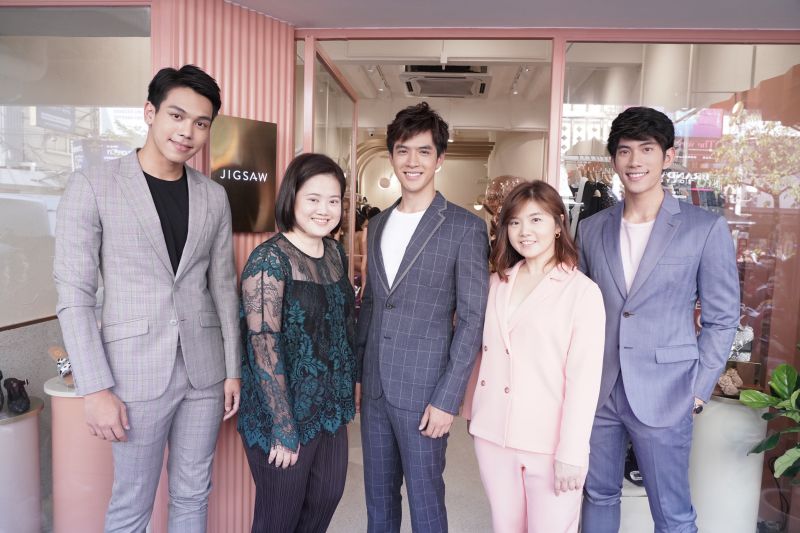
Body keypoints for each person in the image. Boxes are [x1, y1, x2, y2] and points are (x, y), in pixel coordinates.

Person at [54, 65, 241, 532]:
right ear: (150, 112)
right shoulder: (94, 184)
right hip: (131, 373)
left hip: (204, 372)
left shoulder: (213, 196)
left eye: (201, 123)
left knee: (193, 493)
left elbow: (223, 287)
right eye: (177, 115)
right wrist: (95, 388)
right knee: (132, 502)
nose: (188, 131)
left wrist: (232, 370)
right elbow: (75, 295)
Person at [578, 107, 740, 532]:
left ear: (668, 156)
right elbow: (580, 310)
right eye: (625, 151)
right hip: (600, 388)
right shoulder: (591, 229)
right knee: (597, 496)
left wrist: (699, 389)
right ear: (614, 159)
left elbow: (723, 317)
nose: (635, 161)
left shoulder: (704, 228)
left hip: (669, 389)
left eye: (647, 149)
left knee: (672, 512)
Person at [356, 102, 490, 532]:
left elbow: (472, 319)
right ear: (391, 156)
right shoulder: (377, 225)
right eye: (403, 150)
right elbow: (372, 303)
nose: (412, 161)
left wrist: (448, 397)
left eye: (423, 151)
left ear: (440, 159)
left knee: (426, 501)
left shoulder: (464, 228)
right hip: (375, 387)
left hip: (426, 390)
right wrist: (359, 375)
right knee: (378, 502)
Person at [463, 181, 605, 533]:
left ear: (558, 224)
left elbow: (584, 381)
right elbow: (482, 353)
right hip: (494, 436)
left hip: (550, 444)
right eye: (514, 222)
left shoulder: (582, 292)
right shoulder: (497, 282)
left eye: (536, 219)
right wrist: (473, 413)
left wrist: (572, 452)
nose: (524, 231)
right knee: (506, 527)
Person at [238, 153, 356, 533]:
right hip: (283, 412)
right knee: (279, 519)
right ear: (292, 198)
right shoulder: (268, 261)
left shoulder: (335, 253)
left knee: (325, 500)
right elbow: (263, 345)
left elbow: (340, 328)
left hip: (329, 409)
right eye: (313, 199)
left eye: (333, 200)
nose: (324, 209)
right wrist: (283, 425)